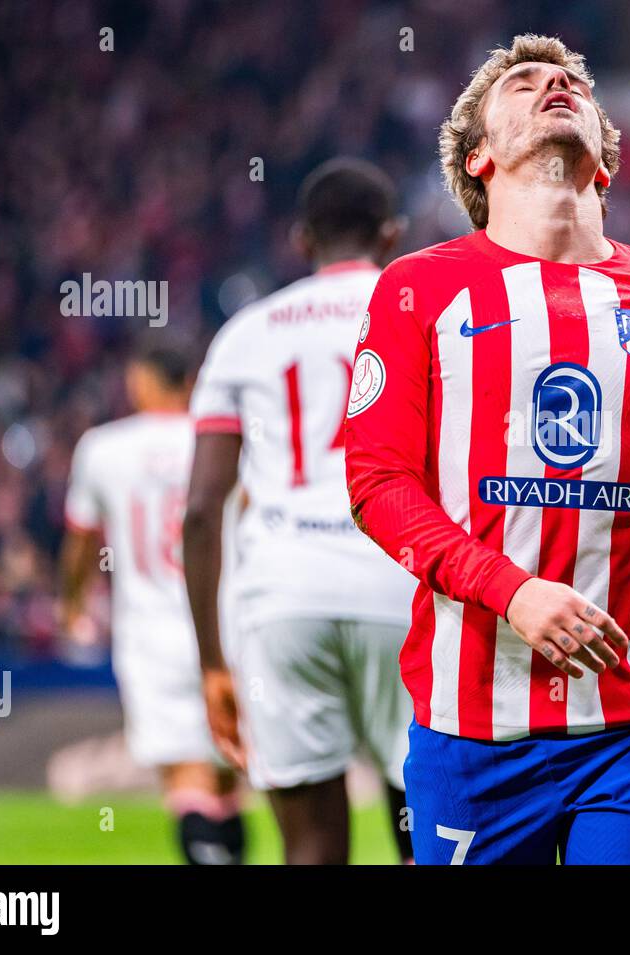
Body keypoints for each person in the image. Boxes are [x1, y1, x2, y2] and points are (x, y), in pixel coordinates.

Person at [344, 35, 630, 864]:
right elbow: (377, 484)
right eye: (524, 83)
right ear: (478, 158)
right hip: (472, 725)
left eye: (572, 84)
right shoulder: (417, 288)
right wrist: (513, 592)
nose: (556, 83)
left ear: (606, 164)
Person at [183, 158, 416, 864]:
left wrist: (213, 663)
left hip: (282, 595)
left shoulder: (245, 334)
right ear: (391, 235)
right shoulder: (427, 314)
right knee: (433, 834)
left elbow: (199, 512)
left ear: (301, 240)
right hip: (403, 588)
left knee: (311, 848)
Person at [61, 344, 245, 864]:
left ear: (138, 379)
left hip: (150, 637)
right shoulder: (223, 441)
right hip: (224, 628)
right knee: (224, 774)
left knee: (186, 779)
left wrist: (71, 602)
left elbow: (80, 541)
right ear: (191, 381)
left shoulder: (102, 448)